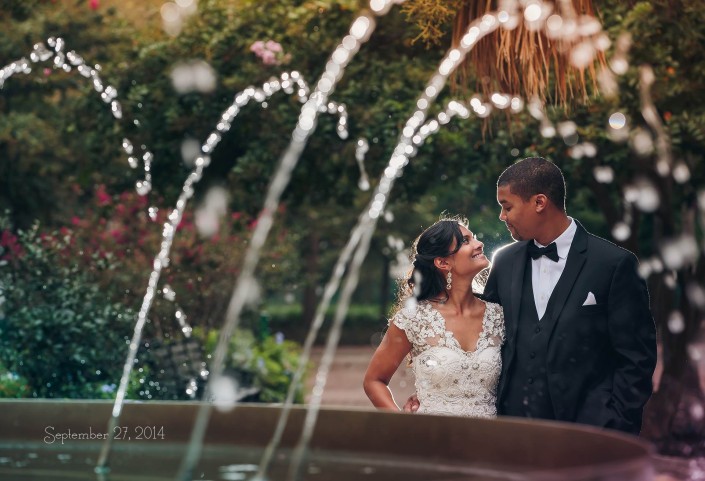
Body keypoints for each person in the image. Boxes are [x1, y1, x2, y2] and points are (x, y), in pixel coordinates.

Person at [363, 216, 504, 417]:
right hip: (431, 439)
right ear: (443, 262)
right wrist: (403, 425)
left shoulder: (499, 315)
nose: (479, 244)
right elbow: (373, 380)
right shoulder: (414, 319)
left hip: (489, 440)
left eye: (474, 238)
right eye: (466, 241)